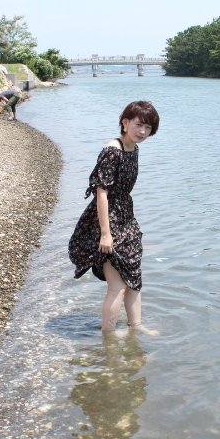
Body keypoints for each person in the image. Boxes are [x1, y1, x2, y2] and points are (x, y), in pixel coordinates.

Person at [69, 101, 160, 334]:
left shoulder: (133, 149)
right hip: (105, 221)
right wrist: (105, 234)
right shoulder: (113, 150)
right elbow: (101, 192)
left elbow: (126, 190)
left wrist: (133, 223)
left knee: (134, 278)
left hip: (125, 219)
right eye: (139, 125)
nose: (143, 132)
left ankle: (136, 329)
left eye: (148, 128)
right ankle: (108, 339)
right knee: (117, 285)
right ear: (125, 122)